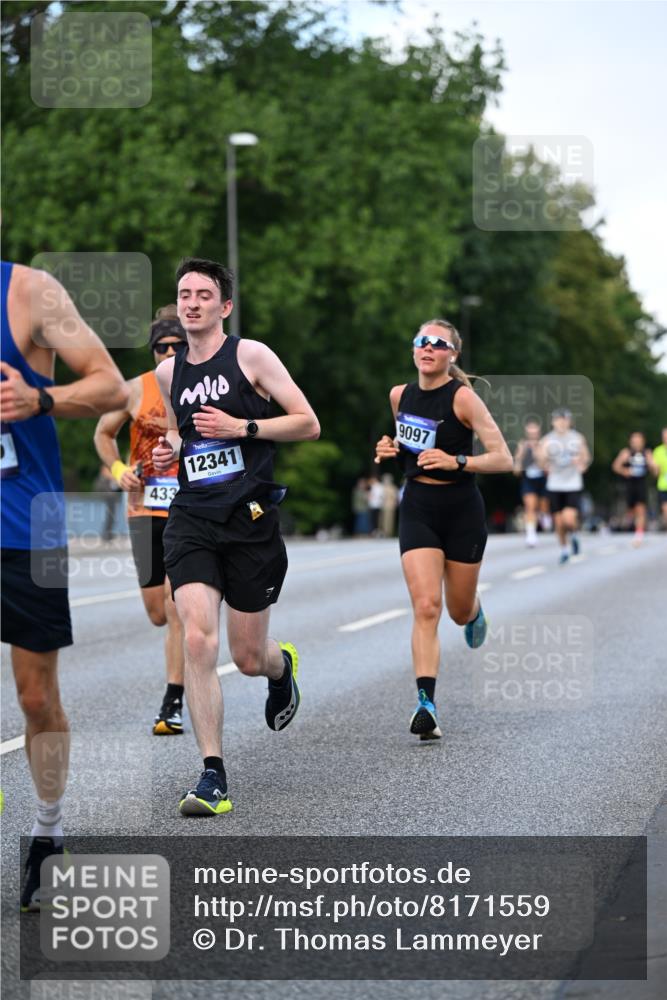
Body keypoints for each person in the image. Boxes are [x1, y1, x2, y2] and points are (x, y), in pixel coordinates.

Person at [151, 257, 320, 815]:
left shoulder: (251, 355)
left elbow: (307, 422)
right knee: (199, 639)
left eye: (203, 294)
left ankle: (281, 667)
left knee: (247, 657)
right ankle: (212, 775)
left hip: (249, 521)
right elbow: (182, 436)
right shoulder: (168, 373)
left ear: (224, 307)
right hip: (192, 517)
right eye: (184, 293)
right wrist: (168, 451)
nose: (192, 301)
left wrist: (242, 427)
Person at [0, 259, 127, 909]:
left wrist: (40, 399)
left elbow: (112, 388)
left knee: (33, 696)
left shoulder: (29, 293)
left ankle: (48, 833)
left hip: (25, 527)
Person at [374, 318, 512, 740]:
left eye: (438, 343)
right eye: (421, 341)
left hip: (461, 509)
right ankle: (426, 704)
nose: (427, 348)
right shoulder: (400, 396)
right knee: (426, 605)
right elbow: (407, 452)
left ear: (452, 354)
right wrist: (391, 449)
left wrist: (458, 462)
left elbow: (503, 457)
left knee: (455, 610)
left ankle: (473, 610)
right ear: (413, 349)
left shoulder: (464, 399)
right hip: (418, 505)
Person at [94, 306, 187, 734]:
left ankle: (173, 701)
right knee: (157, 612)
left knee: (177, 606)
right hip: (144, 506)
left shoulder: (199, 385)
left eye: (177, 345)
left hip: (190, 506)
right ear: (153, 351)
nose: (169, 353)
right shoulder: (135, 390)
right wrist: (117, 471)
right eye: (161, 347)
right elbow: (103, 433)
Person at [537, 408, 591, 564]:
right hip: (555, 484)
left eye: (565, 419)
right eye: (558, 420)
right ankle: (564, 549)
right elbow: (541, 462)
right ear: (553, 422)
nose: (561, 422)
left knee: (569, 518)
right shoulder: (547, 440)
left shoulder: (577, 438)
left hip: (572, 483)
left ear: (569, 421)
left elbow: (585, 458)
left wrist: (581, 464)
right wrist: (544, 458)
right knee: (559, 521)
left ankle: (574, 534)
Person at [513, 418, 550, 547]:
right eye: (530, 433)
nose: (533, 435)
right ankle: (531, 535)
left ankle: (544, 516)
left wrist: (536, 451)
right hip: (529, 479)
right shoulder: (522, 445)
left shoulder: (544, 444)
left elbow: (545, 465)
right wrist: (521, 456)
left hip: (543, 479)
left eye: (535, 432)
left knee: (543, 506)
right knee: (530, 506)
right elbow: (516, 470)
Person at [611, 432, 653, 545]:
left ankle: (639, 535)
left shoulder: (646, 453)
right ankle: (632, 522)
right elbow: (615, 466)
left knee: (641, 509)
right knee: (631, 509)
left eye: (639, 440)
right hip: (629, 485)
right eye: (635, 440)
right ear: (631, 442)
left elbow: (654, 468)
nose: (637, 443)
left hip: (641, 484)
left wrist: (652, 464)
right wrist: (625, 471)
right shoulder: (626, 453)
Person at [93, 463, 123, 542]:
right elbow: (99, 490)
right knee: (108, 518)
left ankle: (108, 534)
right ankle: (106, 534)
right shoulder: (101, 480)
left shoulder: (111, 480)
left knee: (112, 518)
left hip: (112, 501)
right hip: (107, 501)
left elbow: (117, 489)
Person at [649, 427, 667, 529]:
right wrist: (654, 467)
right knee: (665, 509)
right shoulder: (658, 451)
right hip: (663, 486)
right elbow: (655, 474)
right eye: (665, 436)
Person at [379, 473, 399, 538]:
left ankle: (388, 532)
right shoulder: (382, 487)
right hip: (383, 505)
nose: (386, 481)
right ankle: (384, 532)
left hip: (390, 505)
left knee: (389, 520)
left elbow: (395, 497)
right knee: (382, 520)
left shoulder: (393, 488)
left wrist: (394, 503)